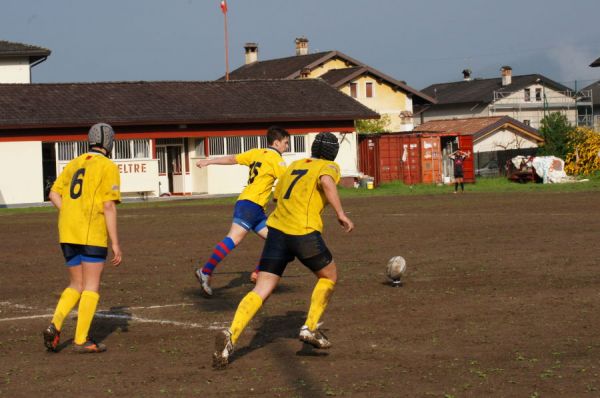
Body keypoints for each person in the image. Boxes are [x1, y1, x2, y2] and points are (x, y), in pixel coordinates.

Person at [212, 132, 354, 369]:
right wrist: (340, 213)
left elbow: (277, 196)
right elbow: (327, 182)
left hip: (277, 231)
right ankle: (309, 327)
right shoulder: (329, 166)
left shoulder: (295, 165)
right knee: (329, 276)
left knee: (263, 287)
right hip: (303, 232)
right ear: (333, 153)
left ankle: (231, 335)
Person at [43, 123, 122, 354]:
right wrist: (115, 242)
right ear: (109, 143)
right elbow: (108, 205)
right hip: (91, 233)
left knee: (76, 284)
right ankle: (81, 339)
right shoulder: (108, 166)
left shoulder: (74, 163)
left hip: (67, 231)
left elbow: (53, 194)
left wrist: (69, 213)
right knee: (91, 286)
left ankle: (55, 325)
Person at [194, 126, 290, 297]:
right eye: (286, 143)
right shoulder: (277, 160)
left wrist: (209, 161)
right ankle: (205, 271)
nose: (287, 147)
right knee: (233, 238)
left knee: (277, 241)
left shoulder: (256, 153)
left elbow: (232, 159)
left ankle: (257, 273)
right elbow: (288, 183)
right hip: (251, 205)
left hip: (254, 207)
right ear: (276, 142)